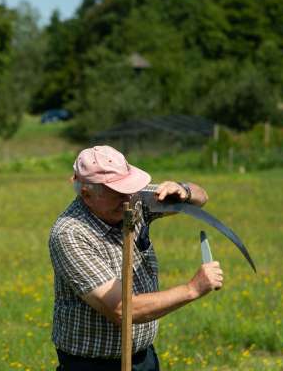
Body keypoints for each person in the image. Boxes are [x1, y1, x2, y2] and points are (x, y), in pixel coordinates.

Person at [48, 146, 223, 370]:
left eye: (129, 188)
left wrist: (184, 189)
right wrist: (193, 288)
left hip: (143, 358)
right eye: (117, 193)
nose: (129, 198)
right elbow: (121, 309)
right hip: (92, 365)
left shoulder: (131, 200)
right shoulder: (70, 234)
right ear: (87, 194)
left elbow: (200, 198)